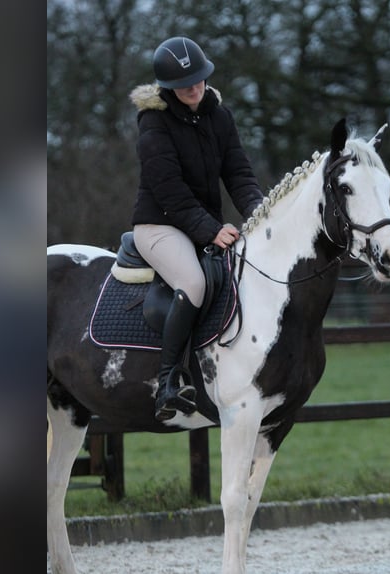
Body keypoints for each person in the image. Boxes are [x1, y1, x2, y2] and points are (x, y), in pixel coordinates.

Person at [129, 36, 264, 421]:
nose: (194, 87)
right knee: (194, 283)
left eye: (199, 79)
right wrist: (210, 229)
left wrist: (258, 211)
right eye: (184, 83)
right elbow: (168, 189)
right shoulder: (153, 121)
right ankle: (168, 382)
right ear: (167, 87)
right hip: (160, 225)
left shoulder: (219, 115)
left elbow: (238, 172)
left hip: (202, 225)